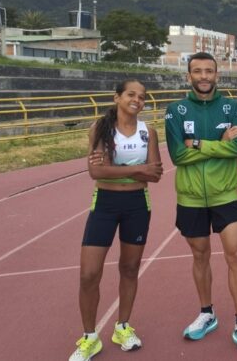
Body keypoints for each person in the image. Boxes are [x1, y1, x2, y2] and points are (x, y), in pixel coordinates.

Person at [164, 52, 237, 352]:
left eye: (209, 71)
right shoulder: (175, 110)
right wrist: (220, 143)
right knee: (200, 257)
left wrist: (197, 143)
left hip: (226, 195)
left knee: (235, 256)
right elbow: (178, 155)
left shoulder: (233, 107)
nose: (203, 76)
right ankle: (207, 314)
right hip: (190, 198)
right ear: (188, 75)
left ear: (217, 74)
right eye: (197, 71)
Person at [70, 79, 163, 361]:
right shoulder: (101, 128)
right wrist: (138, 168)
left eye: (142, 97)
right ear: (117, 97)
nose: (137, 100)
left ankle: (122, 326)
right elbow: (96, 172)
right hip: (106, 205)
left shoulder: (149, 132)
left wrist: (119, 168)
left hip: (137, 204)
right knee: (89, 274)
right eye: (131, 94)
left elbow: (156, 173)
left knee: (130, 268)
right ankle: (89, 337)